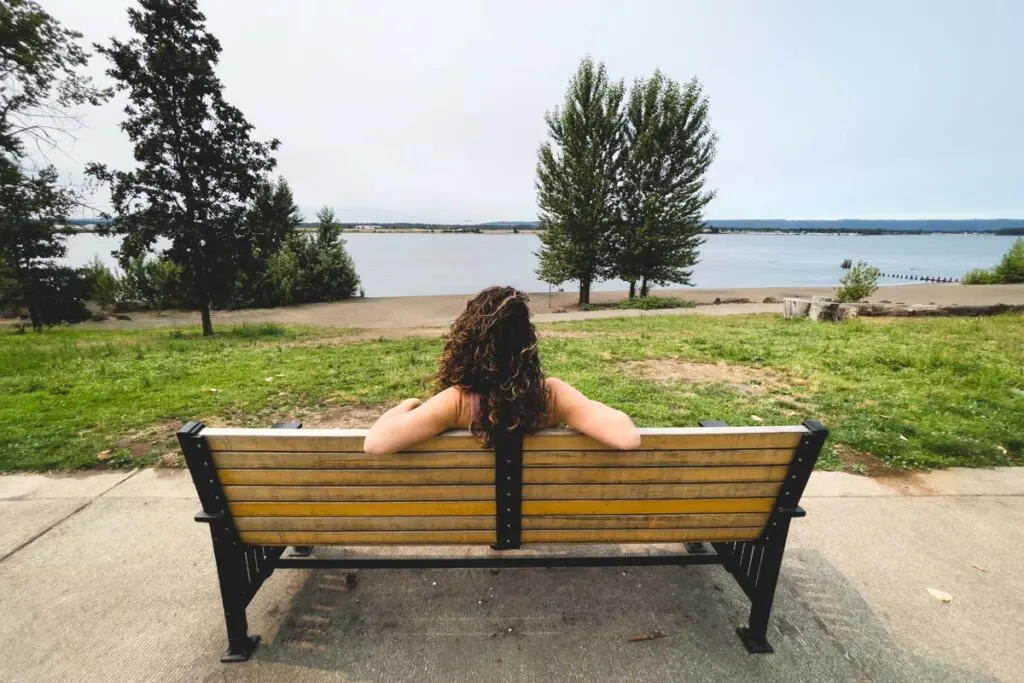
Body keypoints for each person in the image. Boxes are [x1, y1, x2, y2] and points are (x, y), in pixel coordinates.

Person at [364, 286, 641, 454]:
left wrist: (407, 404)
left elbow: (375, 444)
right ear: (526, 342)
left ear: (468, 342)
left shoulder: (456, 402)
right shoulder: (552, 397)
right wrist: (590, 405)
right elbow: (627, 437)